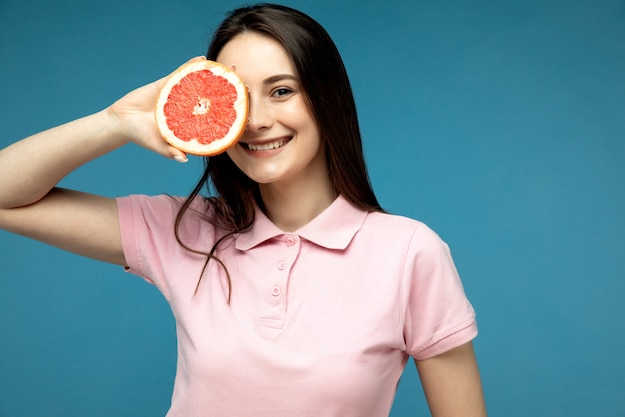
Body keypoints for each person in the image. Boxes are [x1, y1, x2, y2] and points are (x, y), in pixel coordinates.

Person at [0, 3, 487, 417]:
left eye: (282, 91)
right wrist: (113, 123)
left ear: (326, 99)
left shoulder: (408, 252)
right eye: (237, 99)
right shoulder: (185, 229)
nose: (255, 120)